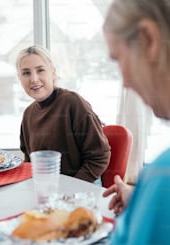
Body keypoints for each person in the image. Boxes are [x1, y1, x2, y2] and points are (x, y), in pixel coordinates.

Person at [102, 0, 170, 244]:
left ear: (149, 40)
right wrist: (145, 199)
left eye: (119, 59)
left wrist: (159, 193)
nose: (124, 82)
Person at [15, 45, 110, 183]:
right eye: (26, 73)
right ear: (20, 78)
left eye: (40, 70)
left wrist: (70, 191)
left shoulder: (73, 103)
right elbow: (29, 162)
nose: (34, 79)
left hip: (81, 189)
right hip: (47, 189)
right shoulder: (28, 114)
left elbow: (99, 156)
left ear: (53, 73)